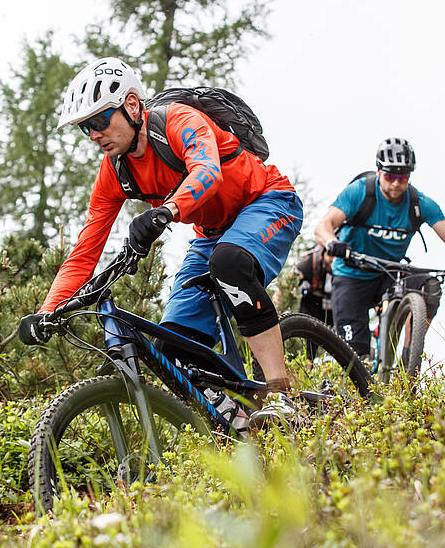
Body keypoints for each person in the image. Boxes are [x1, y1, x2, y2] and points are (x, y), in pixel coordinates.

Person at [18, 57, 303, 425]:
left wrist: (165, 212)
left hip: (267, 201)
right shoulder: (115, 171)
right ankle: (238, 419)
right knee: (172, 348)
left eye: (100, 120)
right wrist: (48, 311)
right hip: (212, 234)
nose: (93, 134)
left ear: (132, 105)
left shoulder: (178, 121)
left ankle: (280, 393)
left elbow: (207, 172)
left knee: (229, 263)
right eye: (85, 126)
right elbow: (85, 250)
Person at [314, 137, 445, 359]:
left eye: (402, 177)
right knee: (354, 355)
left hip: (389, 273)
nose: (395, 183)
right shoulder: (359, 192)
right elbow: (324, 226)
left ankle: (410, 356)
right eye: (390, 176)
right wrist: (333, 243)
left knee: (429, 287)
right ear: (379, 171)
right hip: (352, 275)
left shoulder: (419, 203)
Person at [292, 244, 333, 326]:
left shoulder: (346, 266)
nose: (334, 259)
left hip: (333, 304)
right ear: (324, 253)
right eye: (331, 256)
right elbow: (287, 285)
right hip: (311, 303)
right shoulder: (308, 264)